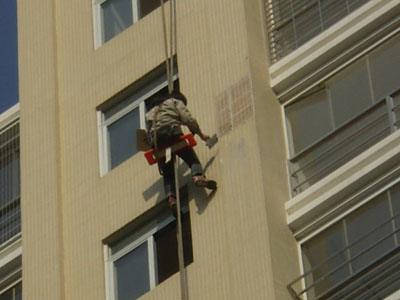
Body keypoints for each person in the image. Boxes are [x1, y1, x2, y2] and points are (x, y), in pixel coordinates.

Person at [145, 90, 217, 212]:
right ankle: (198, 176)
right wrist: (201, 135)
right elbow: (188, 119)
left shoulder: (150, 113)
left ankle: (171, 198)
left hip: (158, 144)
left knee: (168, 174)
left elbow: (148, 135)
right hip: (172, 134)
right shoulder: (175, 102)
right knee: (192, 159)